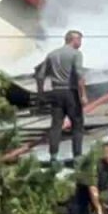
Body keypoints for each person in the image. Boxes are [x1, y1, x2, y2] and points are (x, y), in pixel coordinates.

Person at [34, 30, 87, 164]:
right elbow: (79, 75)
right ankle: (77, 157)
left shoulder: (52, 54)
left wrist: (40, 93)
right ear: (72, 40)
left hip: (56, 92)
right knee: (77, 125)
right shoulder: (76, 54)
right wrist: (83, 95)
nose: (80, 43)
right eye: (79, 40)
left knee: (56, 125)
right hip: (71, 92)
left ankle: (53, 157)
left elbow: (40, 75)